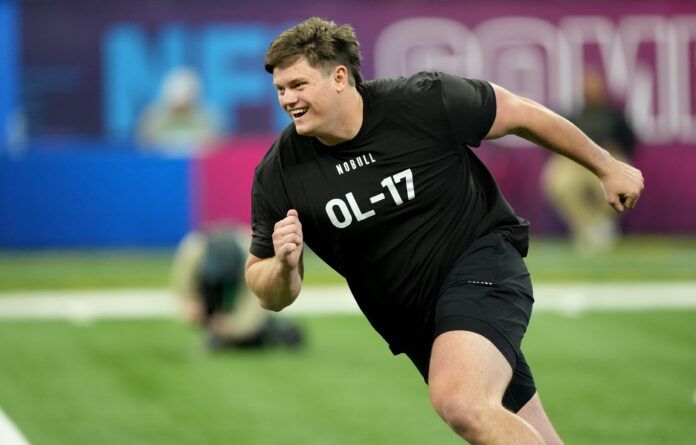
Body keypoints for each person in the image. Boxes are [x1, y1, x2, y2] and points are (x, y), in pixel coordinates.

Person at [245, 17, 643, 445]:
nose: (288, 99)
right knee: (520, 427)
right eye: (281, 90)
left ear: (339, 76)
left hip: (481, 262)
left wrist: (606, 165)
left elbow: (518, 113)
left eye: (299, 85)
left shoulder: (421, 100)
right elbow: (267, 292)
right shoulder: (280, 172)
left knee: (461, 402)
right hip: (418, 323)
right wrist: (285, 266)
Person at [542, 67, 637, 255]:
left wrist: (615, 147)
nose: (590, 89)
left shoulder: (614, 115)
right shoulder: (571, 115)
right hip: (575, 162)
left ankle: (601, 225)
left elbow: (631, 142)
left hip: (609, 159)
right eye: (587, 85)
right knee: (559, 180)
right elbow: (552, 142)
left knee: (625, 184)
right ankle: (588, 227)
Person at [172, 226, 303, 350]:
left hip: (245, 283)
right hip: (206, 282)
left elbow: (252, 312)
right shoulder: (192, 251)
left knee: (252, 334)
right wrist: (191, 303)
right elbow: (182, 289)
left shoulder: (255, 258)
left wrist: (231, 327)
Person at [137, 67, 222, 156]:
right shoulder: (153, 117)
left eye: (185, 107)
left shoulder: (209, 117)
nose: (181, 111)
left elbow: (216, 145)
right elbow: (144, 144)